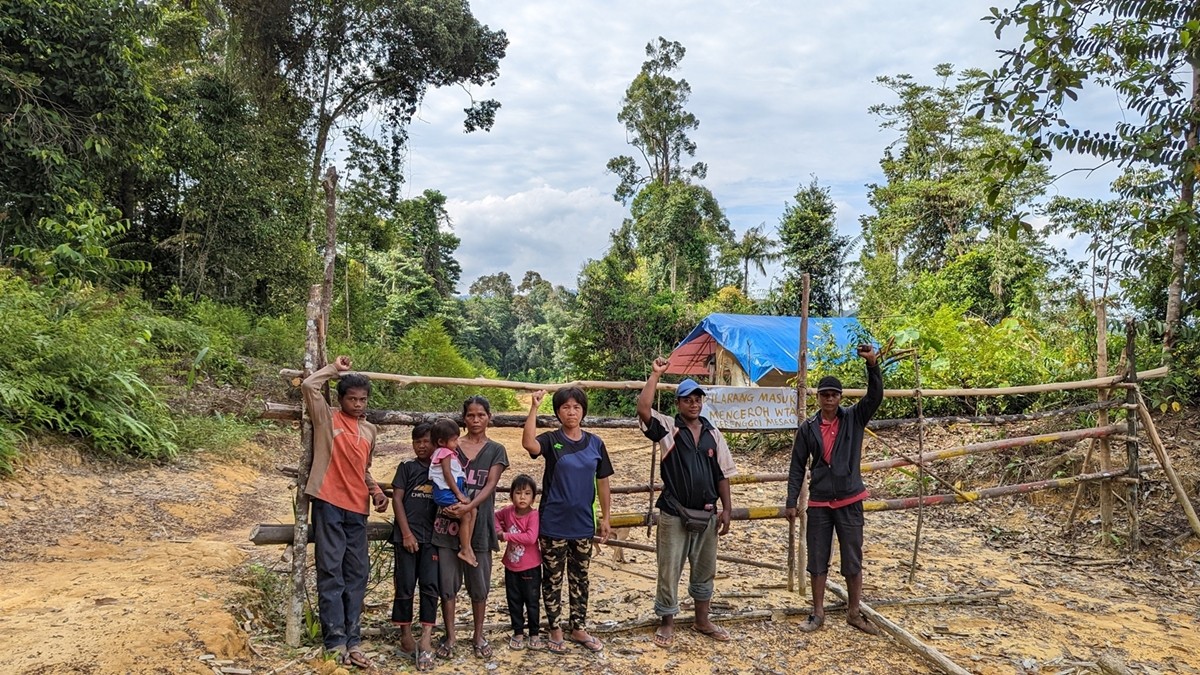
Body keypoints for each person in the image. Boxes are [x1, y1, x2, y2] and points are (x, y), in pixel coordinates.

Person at [637, 359, 737, 649]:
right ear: (678, 403)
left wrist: (726, 509)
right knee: (669, 568)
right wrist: (656, 374)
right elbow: (644, 409)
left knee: (705, 567)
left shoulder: (713, 434)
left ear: (702, 402)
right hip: (673, 510)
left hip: (706, 513)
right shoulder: (668, 428)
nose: (693, 404)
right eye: (687, 400)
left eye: (697, 399)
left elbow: (722, 474)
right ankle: (667, 621)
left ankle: (702, 619)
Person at [785, 344, 883, 636]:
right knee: (817, 558)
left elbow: (875, 397)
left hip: (850, 498)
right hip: (819, 502)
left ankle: (854, 611)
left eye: (834, 394)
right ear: (818, 397)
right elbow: (796, 466)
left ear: (840, 397)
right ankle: (817, 613)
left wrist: (873, 366)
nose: (829, 398)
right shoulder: (808, 428)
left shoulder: (854, 418)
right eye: (825, 394)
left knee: (852, 557)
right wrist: (791, 501)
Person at [301, 355, 389, 669]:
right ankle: (334, 641)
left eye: (363, 399)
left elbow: (364, 469)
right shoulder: (327, 419)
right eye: (352, 399)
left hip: (357, 508)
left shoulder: (369, 431)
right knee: (331, 572)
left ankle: (353, 640)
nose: (358, 404)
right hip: (328, 501)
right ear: (340, 400)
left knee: (357, 574)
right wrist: (335, 370)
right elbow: (310, 385)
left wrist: (376, 490)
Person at [522, 388, 613, 654]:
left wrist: (605, 517)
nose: (571, 412)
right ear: (558, 412)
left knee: (580, 578)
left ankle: (578, 626)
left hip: (583, 524)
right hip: (553, 523)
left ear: (583, 411)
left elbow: (603, 482)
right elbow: (529, 445)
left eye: (576, 407)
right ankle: (554, 628)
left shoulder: (596, 443)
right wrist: (534, 408)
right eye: (565, 407)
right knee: (552, 578)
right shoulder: (552, 440)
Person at [431, 395, 509, 661]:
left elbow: (490, 485)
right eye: (471, 415)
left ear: (489, 417)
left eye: (481, 415)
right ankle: (451, 635)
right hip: (446, 523)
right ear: (463, 418)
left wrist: (468, 507)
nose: (476, 420)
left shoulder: (496, 450)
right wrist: (451, 507)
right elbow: (438, 478)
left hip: (481, 523)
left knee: (480, 586)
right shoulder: (450, 447)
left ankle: (478, 635)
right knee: (448, 585)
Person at [390, 423, 439, 671]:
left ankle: (427, 638)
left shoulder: (441, 470)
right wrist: (406, 533)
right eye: (417, 441)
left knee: (430, 587)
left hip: (432, 539)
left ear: (436, 443)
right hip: (405, 538)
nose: (422, 446)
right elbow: (397, 499)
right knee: (406, 585)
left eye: (427, 441)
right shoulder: (407, 468)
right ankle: (406, 635)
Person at [494, 474, 543, 651]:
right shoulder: (507, 511)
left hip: (531, 567)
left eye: (527, 493)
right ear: (511, 495)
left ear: (533, 497)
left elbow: (530, 538)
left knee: (532, 601)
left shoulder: (534, 515)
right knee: (513, 600)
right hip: (511, 565)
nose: (522, 497)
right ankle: (518, 632)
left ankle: (535, 633)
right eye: (518, 493)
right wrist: (499, 530)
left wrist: (506, 535)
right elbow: (494, 517)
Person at [428, 418, 478, 568]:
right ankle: (465, 549)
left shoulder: (446, 451)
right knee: (467, 514)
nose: (457, 443)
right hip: (447, 492)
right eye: (454, 440)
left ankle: (467, 546)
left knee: (472, 511)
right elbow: (448, 474)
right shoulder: (444, 453)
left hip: (449, 491)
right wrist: (459, 494)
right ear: (442, 442)